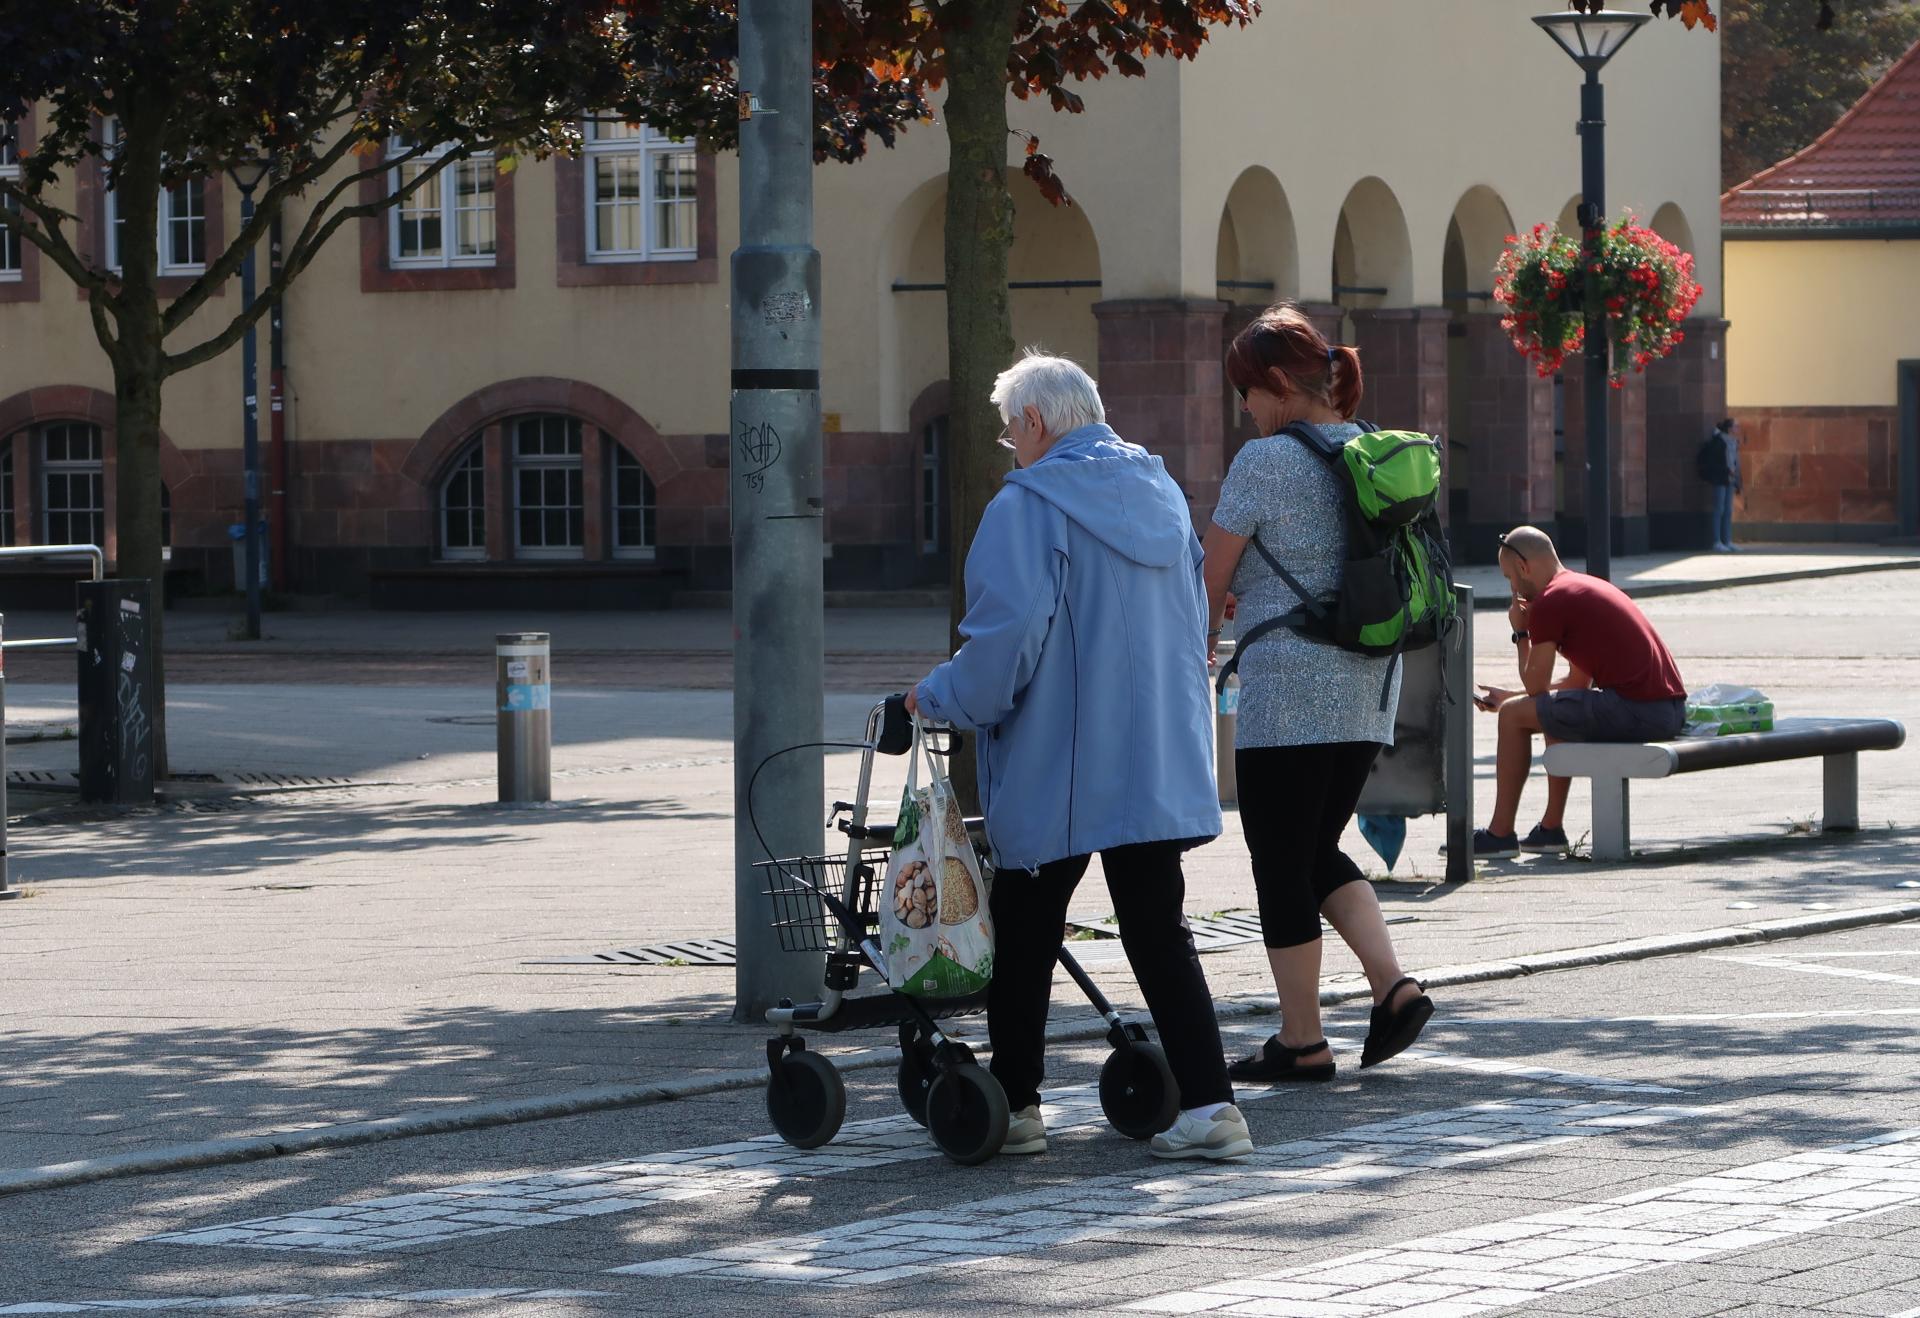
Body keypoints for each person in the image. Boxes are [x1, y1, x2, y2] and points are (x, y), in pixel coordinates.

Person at [909, 351, 1250, 1162]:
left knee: (1026, 931)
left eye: (1008, 432)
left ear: (1034, 422)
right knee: (1158, 929)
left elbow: (1002, 652)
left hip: (1058, 762)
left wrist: (940, 696)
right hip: (1153, 758)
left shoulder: (1027, 507)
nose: (1009, 447)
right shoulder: (1163, 494)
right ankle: (1211, 1105)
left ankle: (1019, 1105)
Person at [1199, 304, 1434, 1086]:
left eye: (1246, 393)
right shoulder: (1371, 446)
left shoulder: (1262, 463)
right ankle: (1391, 985)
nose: (1244, 411)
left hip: (1291, 690)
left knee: (1278, 861)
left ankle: (1302, 1039)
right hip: (1370, 684)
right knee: (1312, 852)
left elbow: (1213, 573)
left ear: (1274, 385)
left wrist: (1197, 640)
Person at [1470, 525, 1688, 858]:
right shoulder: (1580, 587)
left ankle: (1499, 835)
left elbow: (1536, 686)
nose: (1512, 588)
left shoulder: (1550, 601)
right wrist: (1511, 696)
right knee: (1558, 712)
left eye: (1509, 578)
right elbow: (1574, 685)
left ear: (1525, 568)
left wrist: (1521, 633)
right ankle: (1550, 830)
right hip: (1664, 710)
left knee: (1515, 718)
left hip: (1638, 710)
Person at [1697, 417, 1743, 552]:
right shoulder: (1719, 442)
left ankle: (1727, 540)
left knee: (1728, 510)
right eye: (1736, 426)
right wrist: (1727, 470)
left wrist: (1737, 479)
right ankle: (1717, 541)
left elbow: (1736, 462)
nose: (1738, 429)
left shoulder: (1733, 443)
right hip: (1720, 478)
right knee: (1719, 509)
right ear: (1729, 429)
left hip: (1730, 479)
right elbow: (1715, 462)